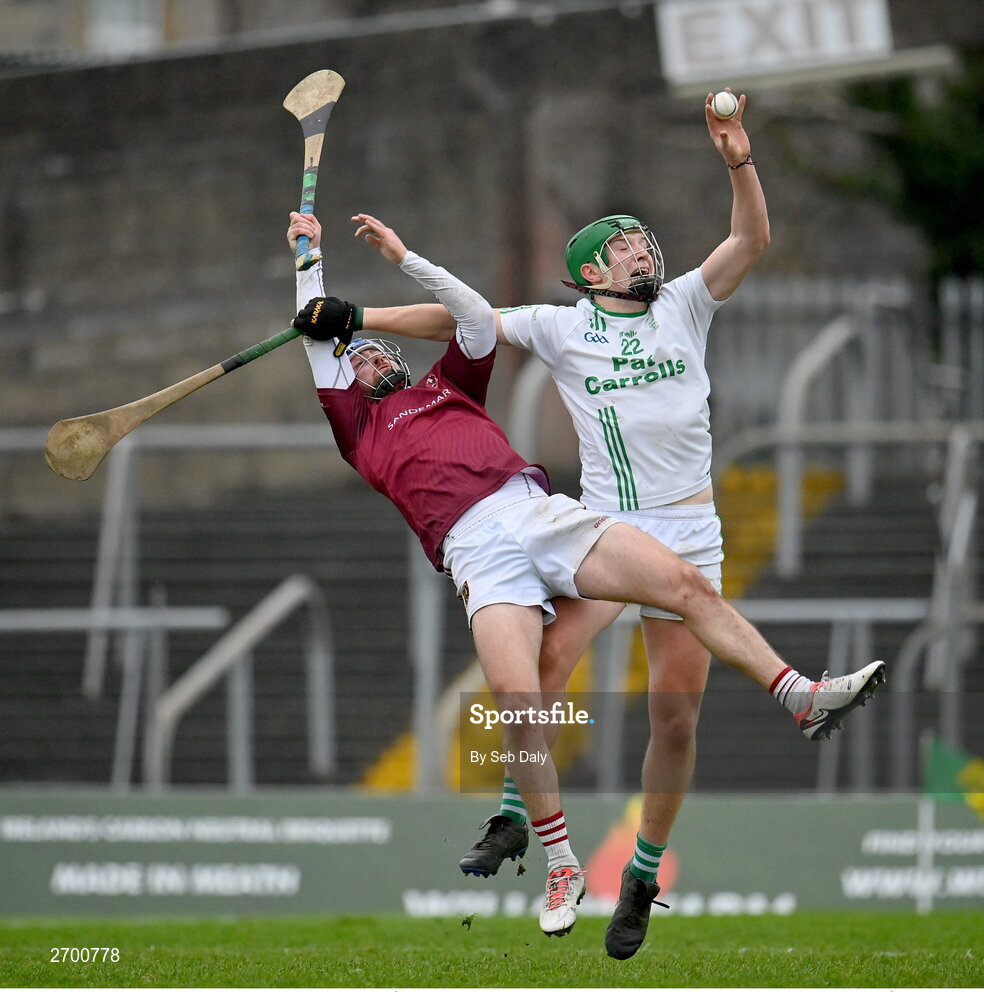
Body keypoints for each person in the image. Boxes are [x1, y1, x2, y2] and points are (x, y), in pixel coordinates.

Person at [285, 208, 885, 943]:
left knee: (675, 711)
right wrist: (308, 265)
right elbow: (320, 337)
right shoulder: (363, 426)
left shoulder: (462, 384)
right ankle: (535, 837)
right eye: (359, 358)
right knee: (531, 674)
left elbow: (467, 317)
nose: (371, 360)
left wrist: (381, 278)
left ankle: (665, 843)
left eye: (379, 352)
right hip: (520, 537)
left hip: (589, 519)